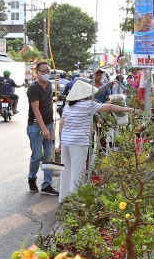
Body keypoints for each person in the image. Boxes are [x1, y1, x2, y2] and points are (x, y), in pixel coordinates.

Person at [57, 79, 132, 203]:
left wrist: (60, 142)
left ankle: (63, 198)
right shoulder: (88, 105)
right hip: (79, 142)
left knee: (66, 170)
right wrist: (128, 109)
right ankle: (76, 200)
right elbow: (109, 107)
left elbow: (61, 125)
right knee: (78, 171)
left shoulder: (68, 106)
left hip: (66, 141)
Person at [27, 60, 57, 194]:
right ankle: (32, 178)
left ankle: (47, 184)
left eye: (48, 71)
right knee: (37, 156)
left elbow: (49, 103)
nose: (46, 74)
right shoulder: (33, 88)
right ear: (37, 73)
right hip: (36, 127)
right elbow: (35, 109)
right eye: (43, 71)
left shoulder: (50, 85)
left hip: (50, 125)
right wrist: (43, 129)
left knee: (49, 156)